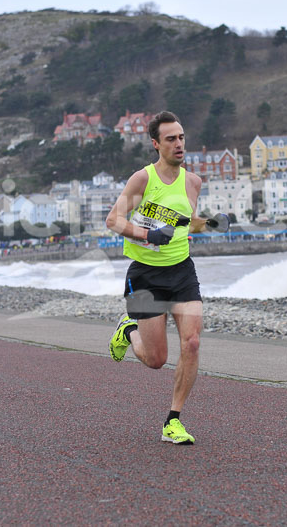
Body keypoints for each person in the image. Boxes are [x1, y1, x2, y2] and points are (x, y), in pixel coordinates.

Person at [105, 111, 213, 445]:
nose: (179, 144)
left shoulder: (193, 182)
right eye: (170, 139)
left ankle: (173, 421)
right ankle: (129, 329)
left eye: (181, 137)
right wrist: (147, 235)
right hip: (145, 276)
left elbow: (188, 222)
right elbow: (114, 220)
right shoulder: (143, 179)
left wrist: (211, 223)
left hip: (181, 271)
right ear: (156, 144)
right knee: (156, 360)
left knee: (192, 342)